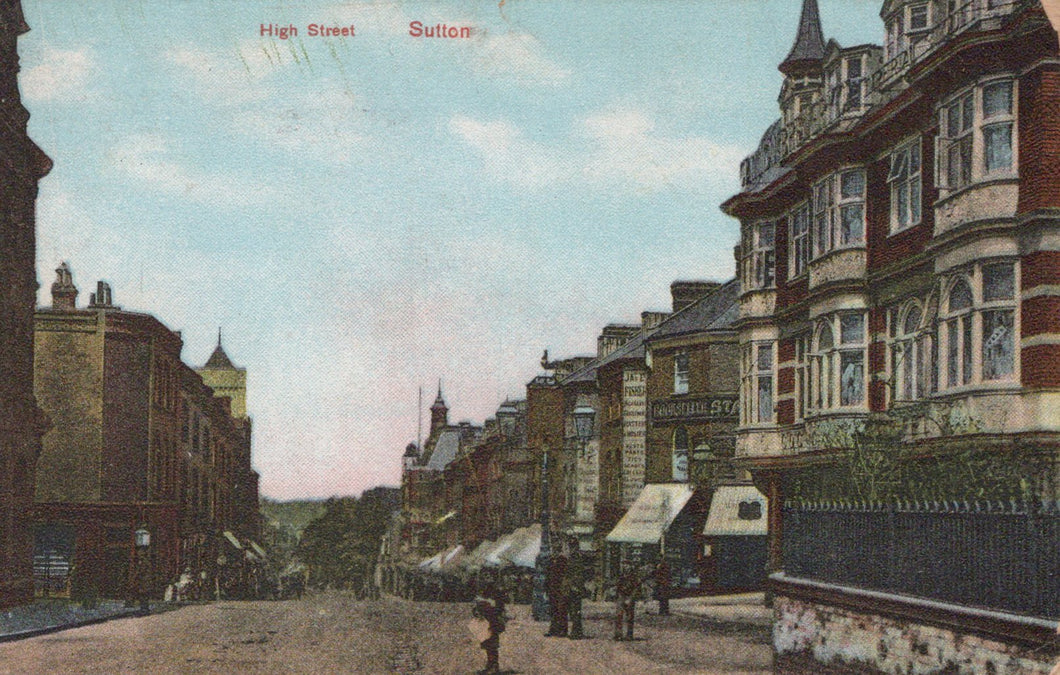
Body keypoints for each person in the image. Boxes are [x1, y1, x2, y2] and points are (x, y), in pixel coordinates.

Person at [472, 580, 507, 675]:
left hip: (492, 623)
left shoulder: (497, 597)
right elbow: (475, 611)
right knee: (488, 645)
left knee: (492, 645)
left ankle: (494, 666)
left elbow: (499, 610)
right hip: (486, 623)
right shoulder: (482, 597)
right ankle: (491, 665)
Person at [613, 564, 643, 641]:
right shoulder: (621, 577)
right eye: (625, 567)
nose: (626, 568)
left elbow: (637, 589)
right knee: (618, 615)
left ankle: (629, 635)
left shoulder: (635, 578)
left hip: (630, 597)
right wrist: (617, 596)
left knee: (629, 617)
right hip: (621, 596)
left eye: (627, 566)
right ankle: (618, 634)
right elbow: (618, 586)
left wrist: (631, 598)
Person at [564, 539, 586, 639]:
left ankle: (576, 632)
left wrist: (575, 586)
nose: (571, 548)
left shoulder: (576, 558)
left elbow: (579, 574)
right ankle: (576, 631)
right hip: (570, 587)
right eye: (571, 546)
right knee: (573, 611)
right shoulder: (571, 557)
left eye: (573, 546)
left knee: (576, 611)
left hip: (575, 588)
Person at [545, 551, 569, 637]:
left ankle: (563, 630)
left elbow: (565, 575)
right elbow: (547, 576)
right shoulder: (550, 560)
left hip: (560, 589)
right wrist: (546, 588)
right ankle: (553, 630)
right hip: (552, 589)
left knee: (561, 611)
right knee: (553, 611)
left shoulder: (562, 560)